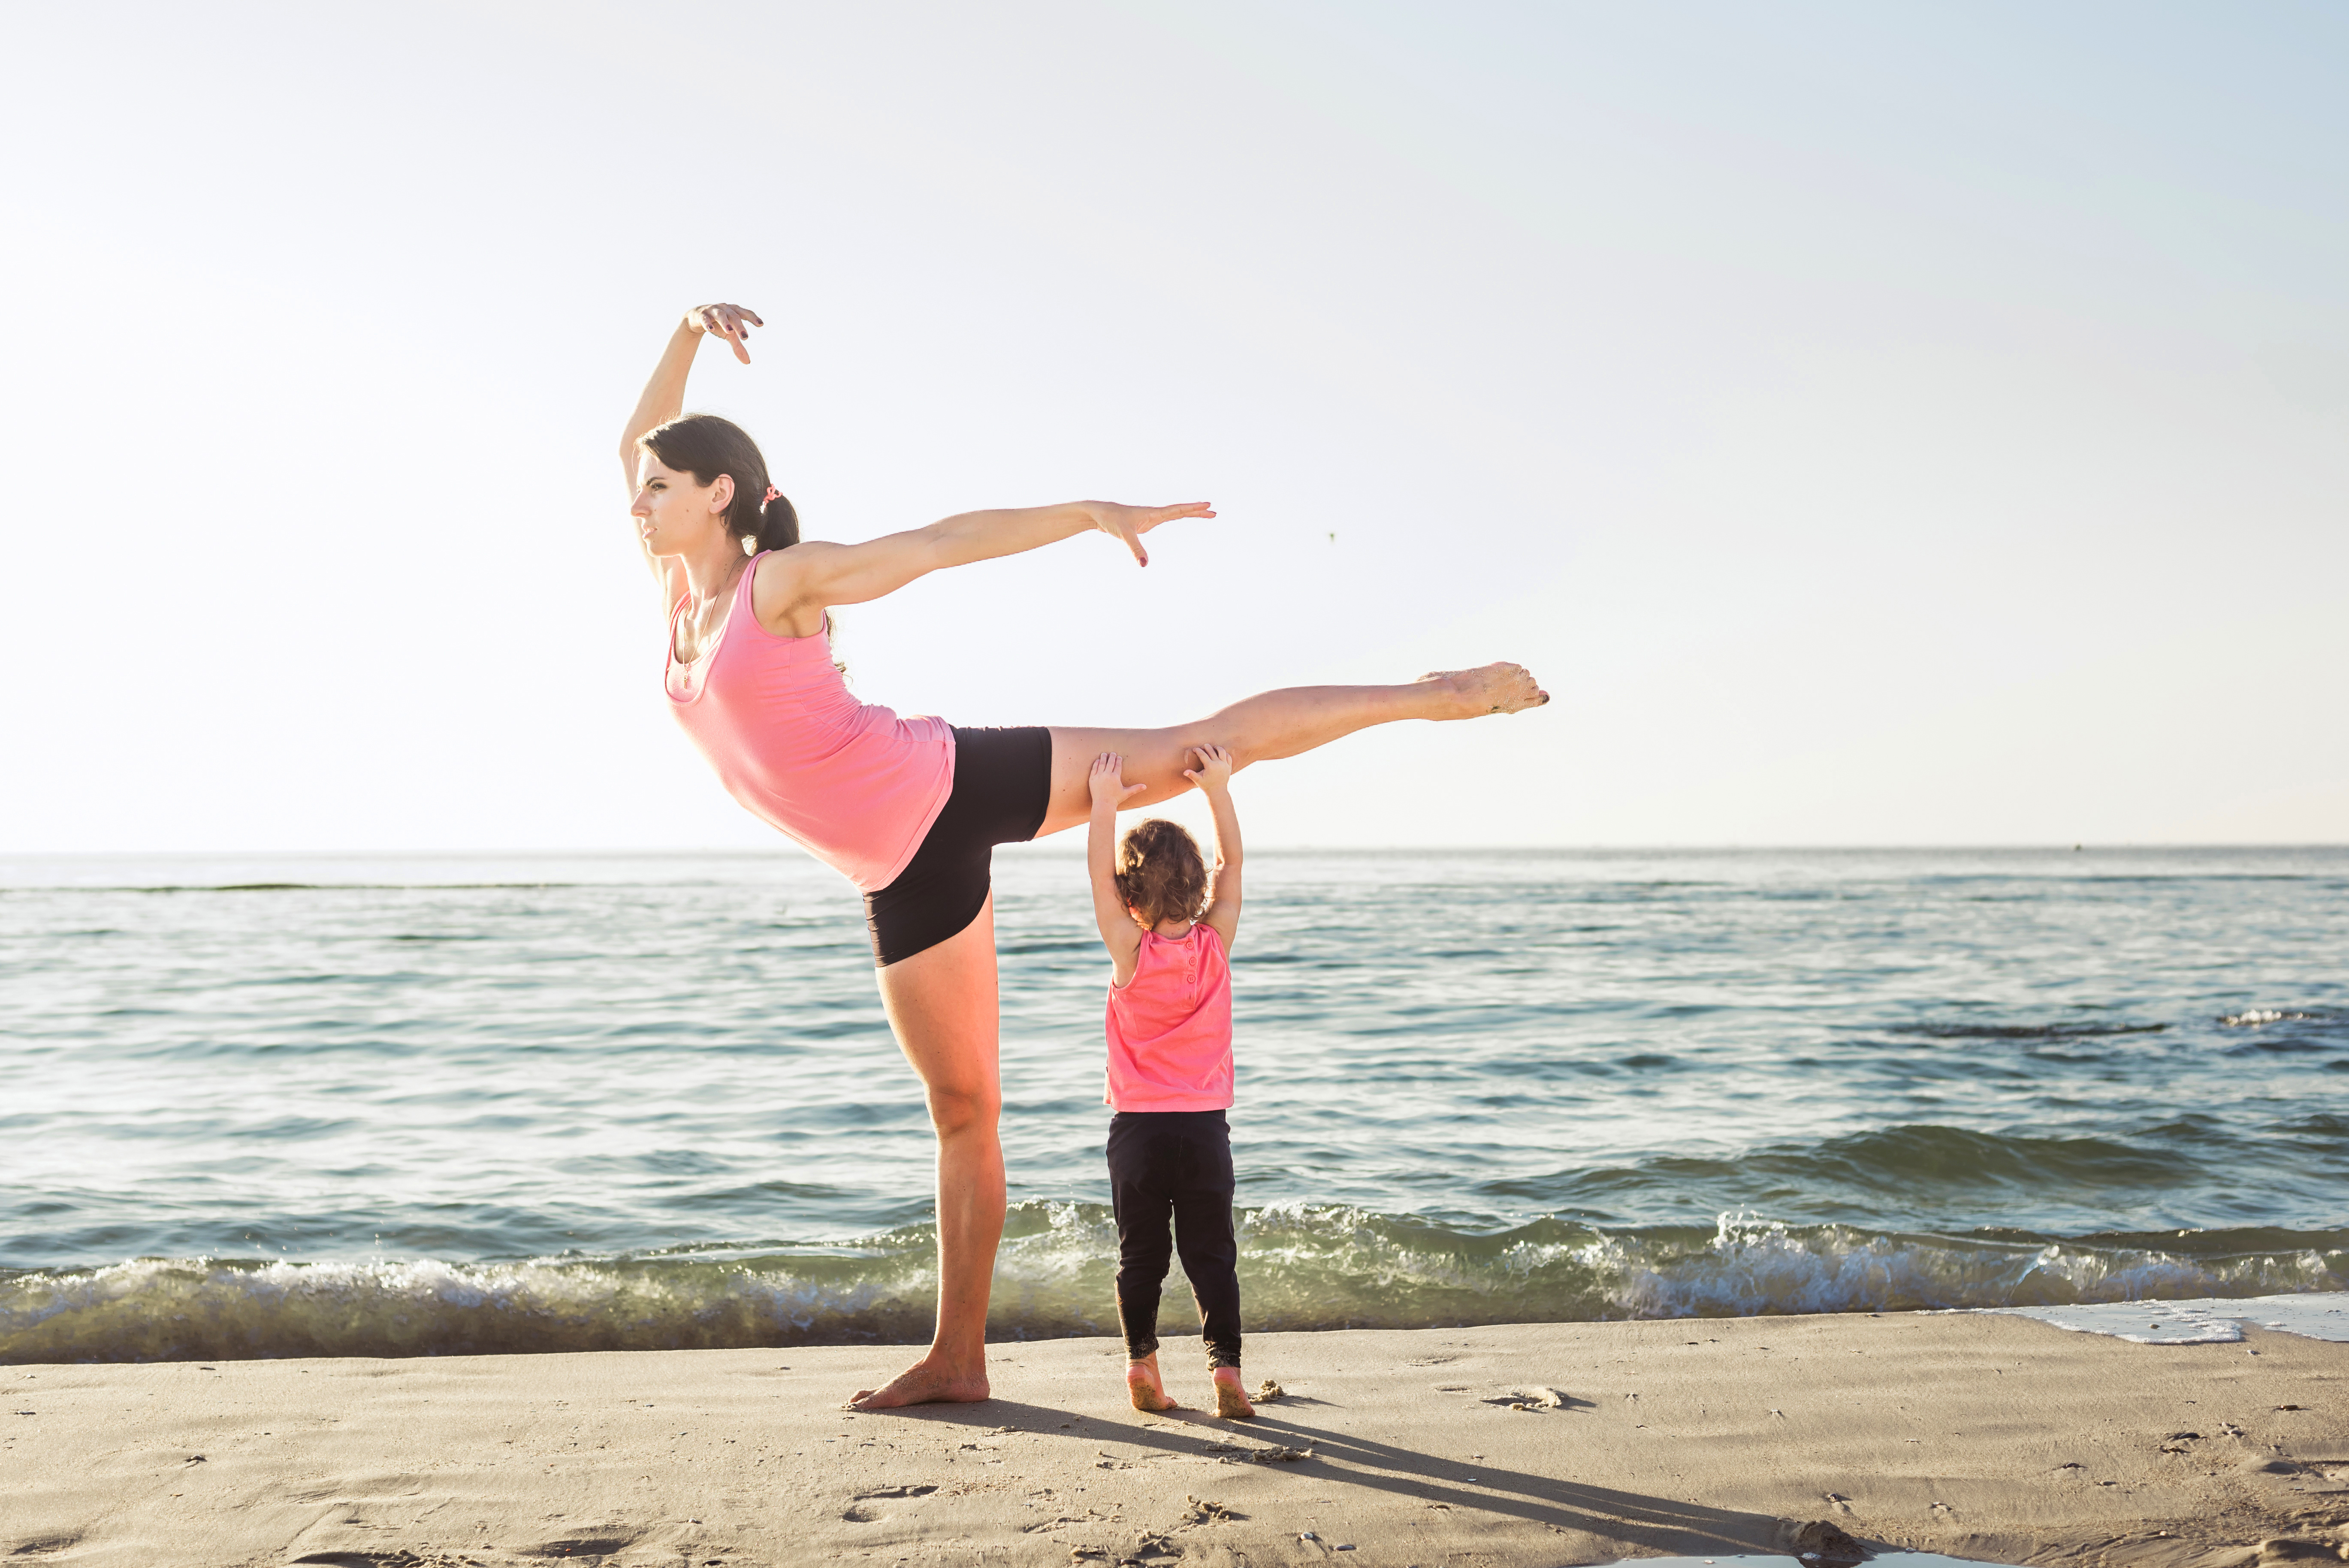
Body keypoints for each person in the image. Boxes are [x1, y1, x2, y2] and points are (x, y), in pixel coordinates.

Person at [621, 302, 1548, 1411]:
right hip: (892, 875)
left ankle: (1439, 695)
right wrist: (682, 331)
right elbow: (635, 431)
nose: (637, 502)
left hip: (947, 784)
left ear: (717, 495)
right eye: (641, 486)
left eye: (659, 485)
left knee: (1191, 751)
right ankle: (958, 1357)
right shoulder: (682, 598)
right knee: (963, 1112)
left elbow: (939, 546)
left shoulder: (779, 585)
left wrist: (1087, 514)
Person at [1087, 745, 1256, 1420]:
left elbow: (1098, 879)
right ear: (1197, 892)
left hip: (1137, 1132)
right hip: (1204, 1129)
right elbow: (1233, 865)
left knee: (1142, 1257)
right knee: (1212, 1254)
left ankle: (1141, 1364)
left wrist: (1103, 803)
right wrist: (1217, 789)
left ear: (1131, 902)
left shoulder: (1129, 950)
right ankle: (1229, 1371)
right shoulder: (1216, 944)